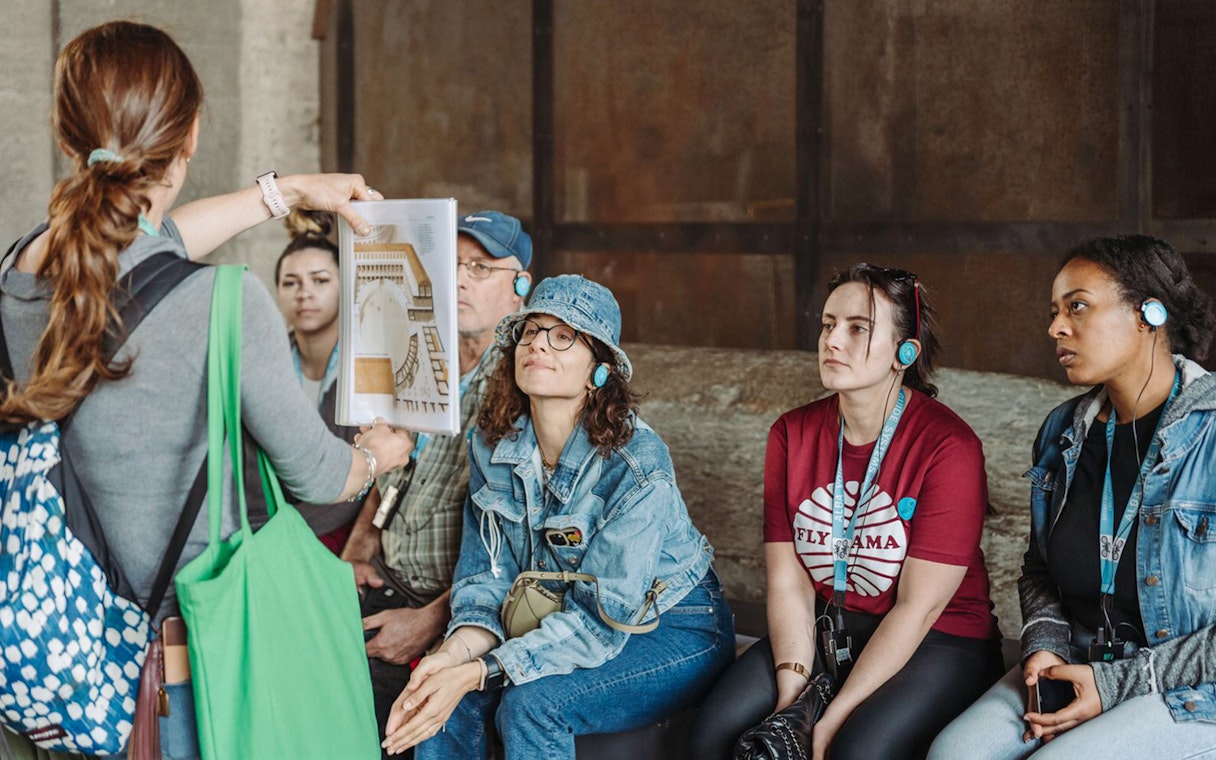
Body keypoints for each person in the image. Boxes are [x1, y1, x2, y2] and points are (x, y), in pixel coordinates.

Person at [0, 20, 414, 758]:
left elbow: (150, 255)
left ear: (69, 136)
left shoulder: (21, 274)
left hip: (66, 654)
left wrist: (287, 191)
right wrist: (380, 455)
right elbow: (320, 476)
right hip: (187, 665)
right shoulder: (227, 303)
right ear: (189, 137)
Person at [379, 274, 735, 759]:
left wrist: (481, 669)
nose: (539, 345)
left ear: (599, 371)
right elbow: (485, 582)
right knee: (445, 687)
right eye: (531, 331)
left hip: (672, 623)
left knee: (530, 703)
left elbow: (600, 621)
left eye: (563, 336)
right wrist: (449, 659)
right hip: (557, 615)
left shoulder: (637, 463)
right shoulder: (492, 448)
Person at [690, 263, 1003, 760]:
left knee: (854, 750)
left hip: (937, 638)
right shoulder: (791, 434)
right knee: (715, 733)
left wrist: (833, 714)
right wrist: (794, 696)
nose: (832, 340)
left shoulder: (949, 446)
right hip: (826, 626)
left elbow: (917, 608)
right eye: (828, 324)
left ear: (905, 352)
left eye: (858, 328)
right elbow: (790, 584)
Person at [929, 235, 1216, 760]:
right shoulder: (1064, 431)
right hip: (1079, 659)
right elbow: (1040, 570)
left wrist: (1113, 686)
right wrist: (1044, 647)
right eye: (1055, 311)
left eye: (1077, 306)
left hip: (1192, 688)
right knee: (954, 754)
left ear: (1148, 313)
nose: (1055, 327)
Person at [339, 209, 535, 753]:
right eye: (451, 265)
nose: (460, 279)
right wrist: (357, 551)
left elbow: (522, 545)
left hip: (450, 610)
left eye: (480, 267)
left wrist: (430, 621)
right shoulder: (425, 357)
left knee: (371, 722)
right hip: (385, 581)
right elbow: (389, 471)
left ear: (521, 286)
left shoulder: (525, 379)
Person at [273, 209, 362, 554]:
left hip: (339, 532)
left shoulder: (365, 369)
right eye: (290, 282)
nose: (304, 293)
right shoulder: (267, 363)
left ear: (345, 288)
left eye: (320, 280)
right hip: (270, 526)